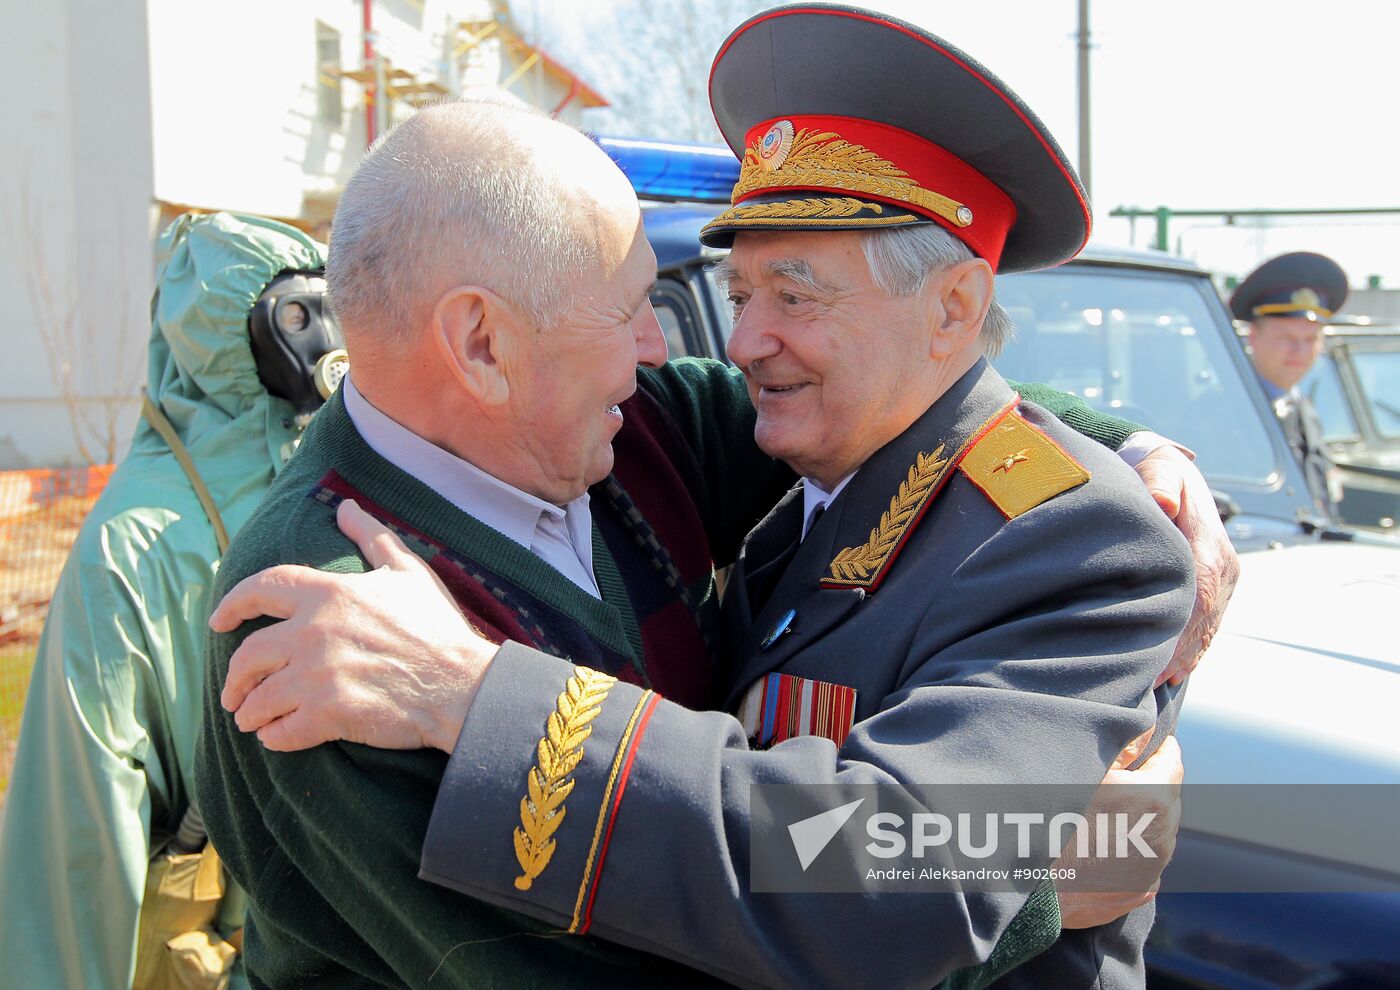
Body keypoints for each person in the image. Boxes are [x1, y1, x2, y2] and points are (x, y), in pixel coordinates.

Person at [199, 19, 1221, 986]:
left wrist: (1127, 446)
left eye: (793, 295)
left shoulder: (630, 428)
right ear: (481, 346)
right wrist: (1036, 890)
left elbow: (935, 415)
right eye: (716, 298)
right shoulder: (327, 625)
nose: (694, 346)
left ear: (953, 306)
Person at [0, 212, 347, 989]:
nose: (321, 339)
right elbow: (82, 826)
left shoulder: (333, 486)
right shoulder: (133, 549)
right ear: (227, 335)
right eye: (294, 314)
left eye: (330, 306)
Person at [1231, 251, 1349, 517]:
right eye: (1286, 337)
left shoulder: (1302, 409)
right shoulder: (1223, 413)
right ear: (1253, 336)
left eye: (1311, 339)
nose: (1299, 350)